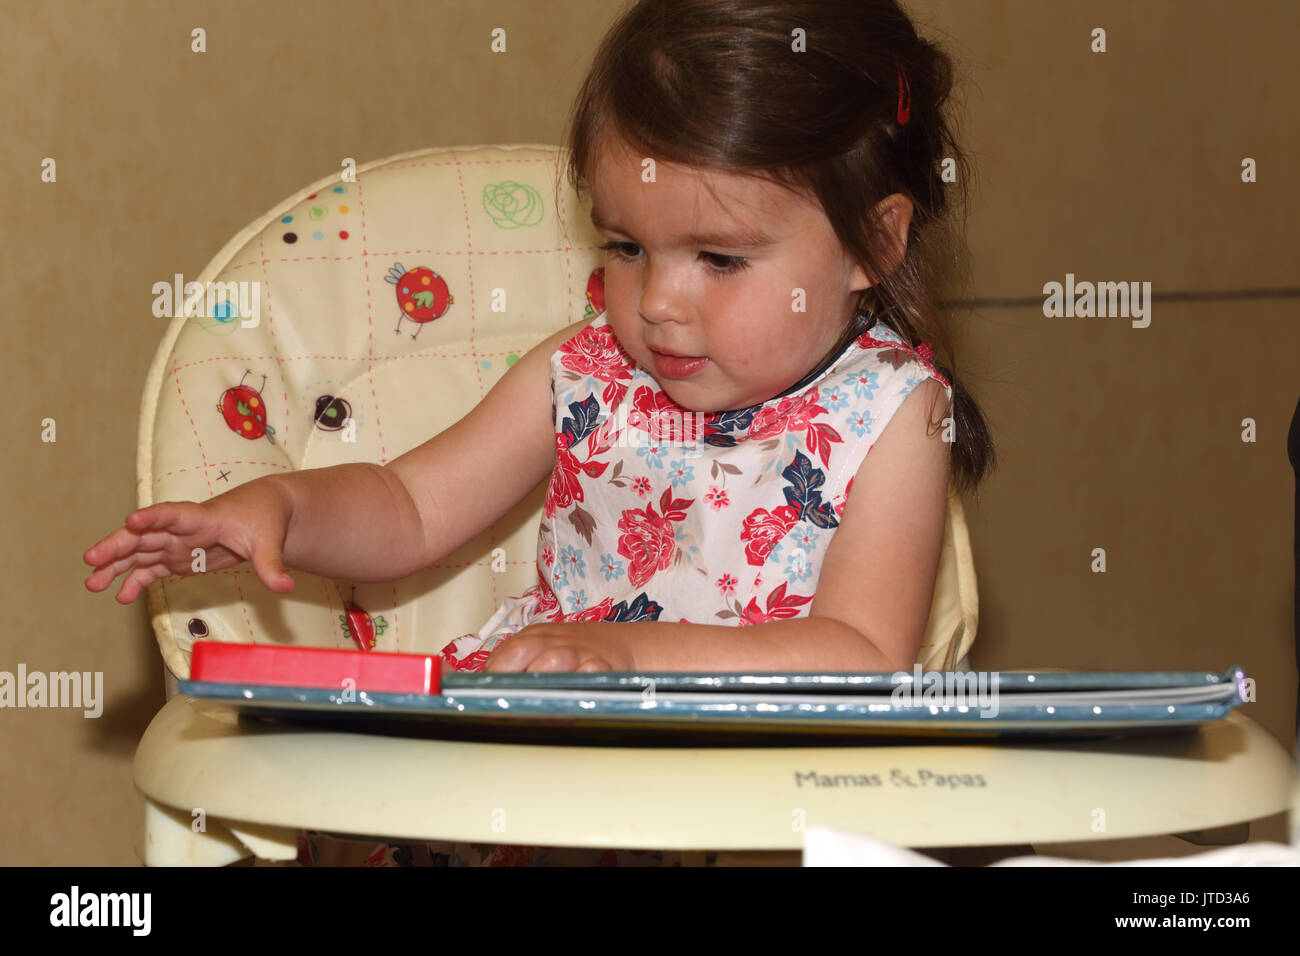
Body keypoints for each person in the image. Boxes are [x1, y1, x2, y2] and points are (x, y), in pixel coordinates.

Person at [83, 0, 996, 866]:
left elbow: (861, 656)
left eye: (719, 258)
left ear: (873, 244)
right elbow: (407, 509)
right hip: (524, 780)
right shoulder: (585, 372)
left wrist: (628, 657)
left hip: (752, 818)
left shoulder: (894, 414)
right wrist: (282, 507)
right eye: (627, 248)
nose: (660, 303)